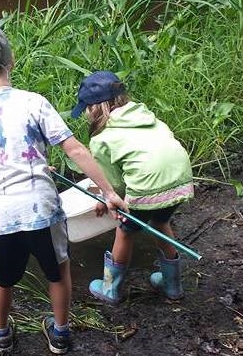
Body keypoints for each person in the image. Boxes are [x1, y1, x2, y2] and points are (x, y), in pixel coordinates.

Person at [0, 25, 128, 354]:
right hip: (43, 211)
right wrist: (108, 192)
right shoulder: (34, 102)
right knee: (58, 271)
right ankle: (61, 334)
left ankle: (1, 334)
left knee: (1, 279)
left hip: (2, 217)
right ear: (12, 60)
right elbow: (75, 150)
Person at [70, 71, 194, 305]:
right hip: (181, 181)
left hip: (147, 188)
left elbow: (113, 185)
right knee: (160, 223)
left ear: (96, 109)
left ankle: (110, 289)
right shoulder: (147, 116)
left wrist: (104, 199)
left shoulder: (102, 139)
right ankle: (173, 285)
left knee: (124, 232)